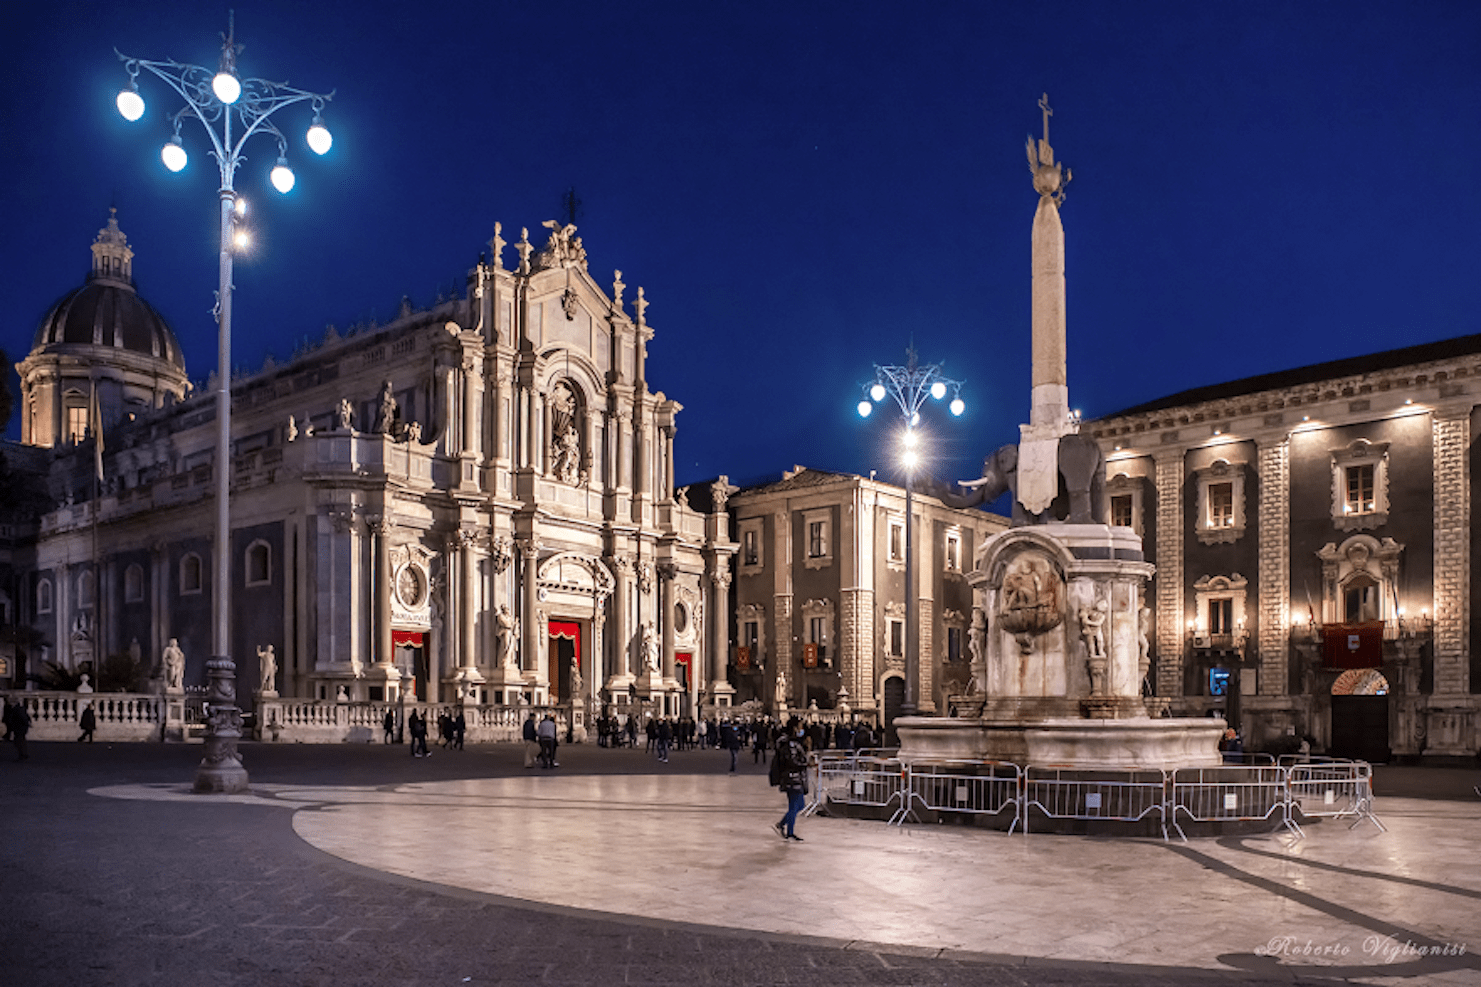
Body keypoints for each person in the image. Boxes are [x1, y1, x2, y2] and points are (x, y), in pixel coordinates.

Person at [771, 717, 808, 841]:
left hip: (795, 778)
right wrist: (806, 763)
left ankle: (781, 824)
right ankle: (789, 832)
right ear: (794, 728)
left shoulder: (794, 742)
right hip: (792, 777)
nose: (802, 729)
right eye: (800, 726)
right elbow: (792, 761)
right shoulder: (790, 744)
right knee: (794, 806)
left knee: (800, 805)